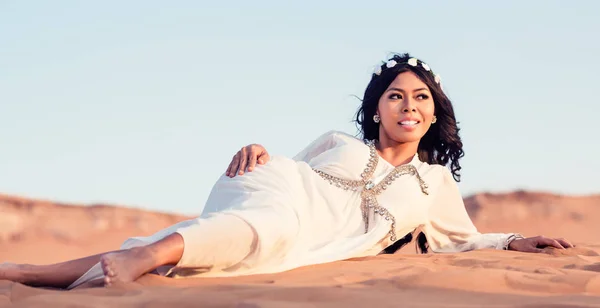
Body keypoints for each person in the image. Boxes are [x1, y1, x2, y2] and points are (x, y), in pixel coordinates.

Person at [0, 53, 573, 290]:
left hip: (320, 238)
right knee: (265, 223)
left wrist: (517, 240)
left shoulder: (436, 185)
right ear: (377, 108)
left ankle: (27, 272)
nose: (408, 107)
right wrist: (255, 147)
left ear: (433, 112)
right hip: (284, 191)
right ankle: (139, 260)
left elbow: (461, 243)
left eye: (420, 98)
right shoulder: (336, 141)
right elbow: (288, 170)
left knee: (230, 245)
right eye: (395, 97)